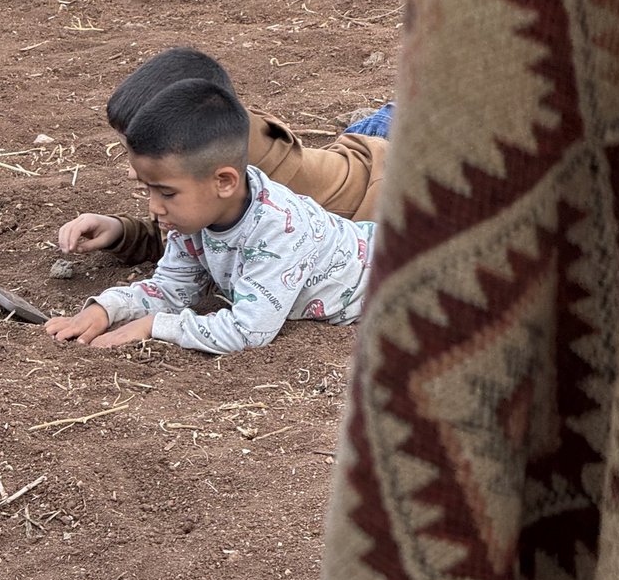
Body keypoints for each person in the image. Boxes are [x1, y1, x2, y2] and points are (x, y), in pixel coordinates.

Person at [45, 78, 377, 355]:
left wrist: (155, 326)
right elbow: (172, 291)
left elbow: (249, 332)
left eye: (167, 193)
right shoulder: (193, 218)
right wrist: (107, 308)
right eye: (149, 190)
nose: (154, 207)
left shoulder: (279, 230)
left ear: (224, 182)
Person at [58, 46, 391, 263]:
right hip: (361, 148)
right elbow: (187, 233)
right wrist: (120, 230)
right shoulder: (225, 132)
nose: (132, 166)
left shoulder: (256, 196)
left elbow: (200, 250)